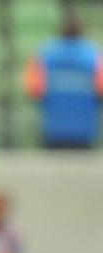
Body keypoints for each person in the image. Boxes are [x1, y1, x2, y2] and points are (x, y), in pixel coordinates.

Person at [24, 10, 103, 149]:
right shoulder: (94, 56)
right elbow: (100, 90)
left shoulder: (45, 54)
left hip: (53, 130)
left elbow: (34, 90)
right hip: (85, 132)